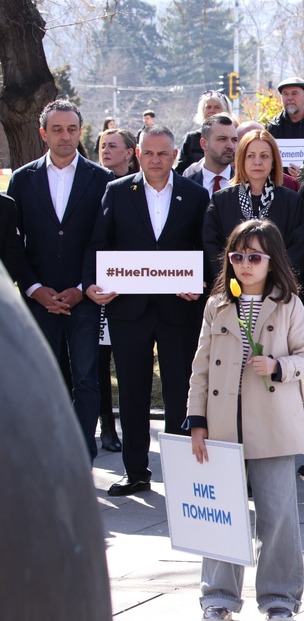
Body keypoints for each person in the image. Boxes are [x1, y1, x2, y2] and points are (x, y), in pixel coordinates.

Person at [186, 219, 304, 621]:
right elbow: (202, 367)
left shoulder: (289, 304)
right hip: (223, 422)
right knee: (221, 513)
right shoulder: (217, 305)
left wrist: (278, 366)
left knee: (278, 515)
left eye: (254, 257)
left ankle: (280, 599)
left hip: (273, 423)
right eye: (237, 256)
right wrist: (197, 421)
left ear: (272, 260)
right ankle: (217, 597)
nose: (245, 264)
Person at [84, 126, 210, 496]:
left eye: (162, 153)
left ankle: (180, 473)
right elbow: (99, 243)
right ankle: (136, 471)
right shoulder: (117, 191)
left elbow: (205, 246)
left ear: (174, 156)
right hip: (129, 309)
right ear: (137, 154)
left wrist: (201, 281)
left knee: (179, 392)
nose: (155, 160)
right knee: (132, 393)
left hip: (179, 310)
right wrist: (92, 283)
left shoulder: (195, 194)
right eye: (149, 153)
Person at [8, 99, 115, 461]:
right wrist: (35, 289)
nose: (65, 136)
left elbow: (104, 240)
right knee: (42, 380)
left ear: (80, 132)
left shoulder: (102, 179)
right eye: (57, 129)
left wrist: (83, 288)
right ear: (43, 133)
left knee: (85, 378)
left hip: (83, 299)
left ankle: (83, 455)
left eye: (71, 129)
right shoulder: (23, 179)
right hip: (38, 300)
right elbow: (12, 244)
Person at [203, 129, 304, 286]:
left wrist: (273, 280)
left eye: (264, 156)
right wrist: (235, 279)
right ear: (241, 159)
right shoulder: (221, 201)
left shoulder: (292, 201)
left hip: (279, 289)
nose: (257, 162)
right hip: (232, 288)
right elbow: (212, 246)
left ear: (273, 161)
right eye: (251, 156)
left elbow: (298, 248)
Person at [95, 128, 139, 453]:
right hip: (103, 286)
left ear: (129, 152)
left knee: (128, 364)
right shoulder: (96, 185)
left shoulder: (140, 186)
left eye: (113, 145)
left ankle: (130, 429)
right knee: (100, 361)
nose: (106, 150)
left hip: (136, 287)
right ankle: (106, 426)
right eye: (102, 146)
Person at [176, 92, 232, 175]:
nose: (212, 111)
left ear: (225, 111)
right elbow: (180, 171)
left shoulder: (234, 138)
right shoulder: (192, 138)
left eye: (217, 107)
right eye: (208, 107)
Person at [187, 115, 239, 194]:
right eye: (222, 139)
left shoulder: (246, 185)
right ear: (204, 144)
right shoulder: (186, 187)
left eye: (234, 140)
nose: (230, 146)